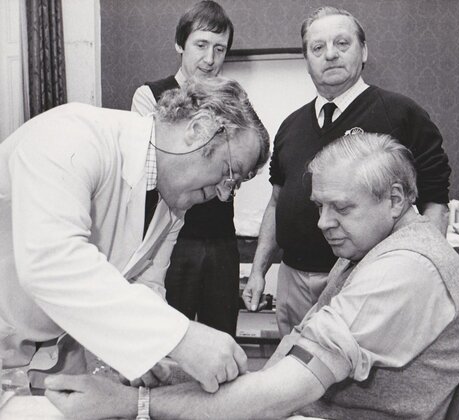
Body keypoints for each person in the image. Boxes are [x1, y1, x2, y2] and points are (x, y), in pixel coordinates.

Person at [45, 133, 459, 420]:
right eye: (319, 206)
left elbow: (277, 396)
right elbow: (283, 369)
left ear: (396, 199)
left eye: (341, 208)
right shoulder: (371, 249)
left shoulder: (405, 270)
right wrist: (178, 374)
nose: (324, 222)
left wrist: (134, 404)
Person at [0, 76, 270, 394]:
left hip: (50, 345)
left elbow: (145, 283)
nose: (225, 195)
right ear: (198, 129)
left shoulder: (172, 204)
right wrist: (180, 338)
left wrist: (147, 352)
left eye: (235, 184)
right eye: (229, 172)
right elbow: (51, 262)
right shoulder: (71, 136)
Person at [242, 6, 452, 337]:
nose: (330, 55)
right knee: (292, 369)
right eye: (318, 47)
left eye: (342, 43)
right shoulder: (290, 126)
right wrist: (258, 270)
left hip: (367, 280)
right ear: (306, 59)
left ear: (363, 50)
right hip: (292, 279)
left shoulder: (402, 114)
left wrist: (419, 278)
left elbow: (436, 203)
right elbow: (276, 201)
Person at [132, 1, 240, 337]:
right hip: (171, 240)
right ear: (181, 44)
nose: (210, 59)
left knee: (221, 338)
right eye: (201, 45)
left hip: (222, 238)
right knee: (166, 340)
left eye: (219, 49)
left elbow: (240, 162)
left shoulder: (232, 99)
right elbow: (159, 167)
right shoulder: (149, 95)